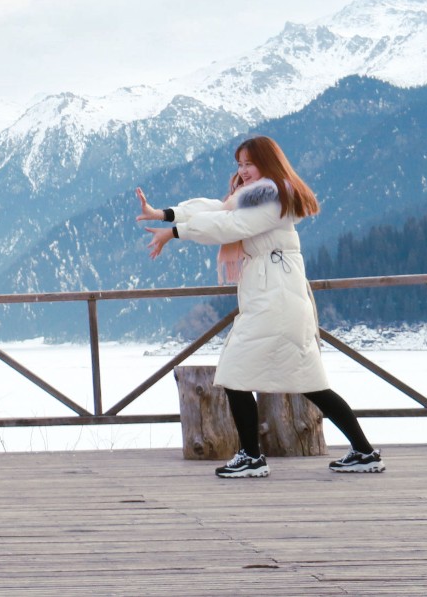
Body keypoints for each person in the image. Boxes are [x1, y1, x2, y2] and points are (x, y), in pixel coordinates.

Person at [137, 134, 385, 477]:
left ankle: (253, 457)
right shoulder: (254, 197)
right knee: (308, 381)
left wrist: (177, 232)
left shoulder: (271, 199)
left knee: (236, 372)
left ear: (267, 163)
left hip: (277, 299)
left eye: (249, 163)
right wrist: (166, 215)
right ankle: (363, 451)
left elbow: (231, 225)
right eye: (239, 164)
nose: (243, 170)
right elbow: (218, 208)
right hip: (273, 296)